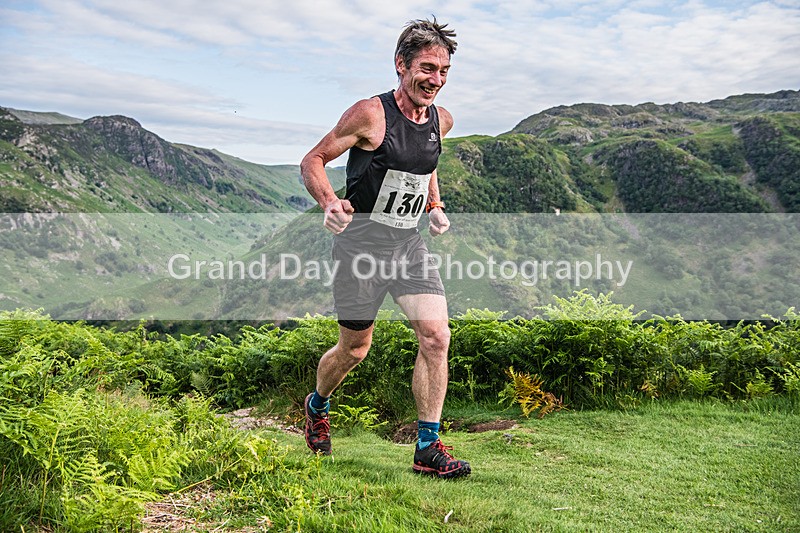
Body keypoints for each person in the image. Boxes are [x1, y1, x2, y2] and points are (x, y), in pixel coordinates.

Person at [299, 18, 470, 479]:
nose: (436, 80)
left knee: (436, 337)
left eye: (444, 71)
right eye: (427, 68)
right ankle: (317, 405)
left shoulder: (441, 120)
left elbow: (425, 164)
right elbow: (313, 159)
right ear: (401, 65)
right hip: (361, 249)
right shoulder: (370, 115)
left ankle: (427, 447)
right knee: (355, 349)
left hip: (408, 246)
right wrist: (330, 203)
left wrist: (434, 204)